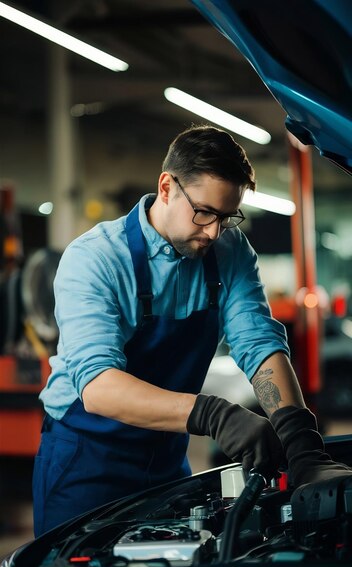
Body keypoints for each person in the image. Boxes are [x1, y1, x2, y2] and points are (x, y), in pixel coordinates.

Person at [33, 124, 351, 536]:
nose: (214, 232)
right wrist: (215, 414)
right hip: (85, 460)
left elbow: (258, 342)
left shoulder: (229, 250)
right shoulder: (95, 259)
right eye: (203, 213)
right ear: (166, 187)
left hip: (166, 458)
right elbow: (98, 387)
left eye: (226, 217)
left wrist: (300, 441)